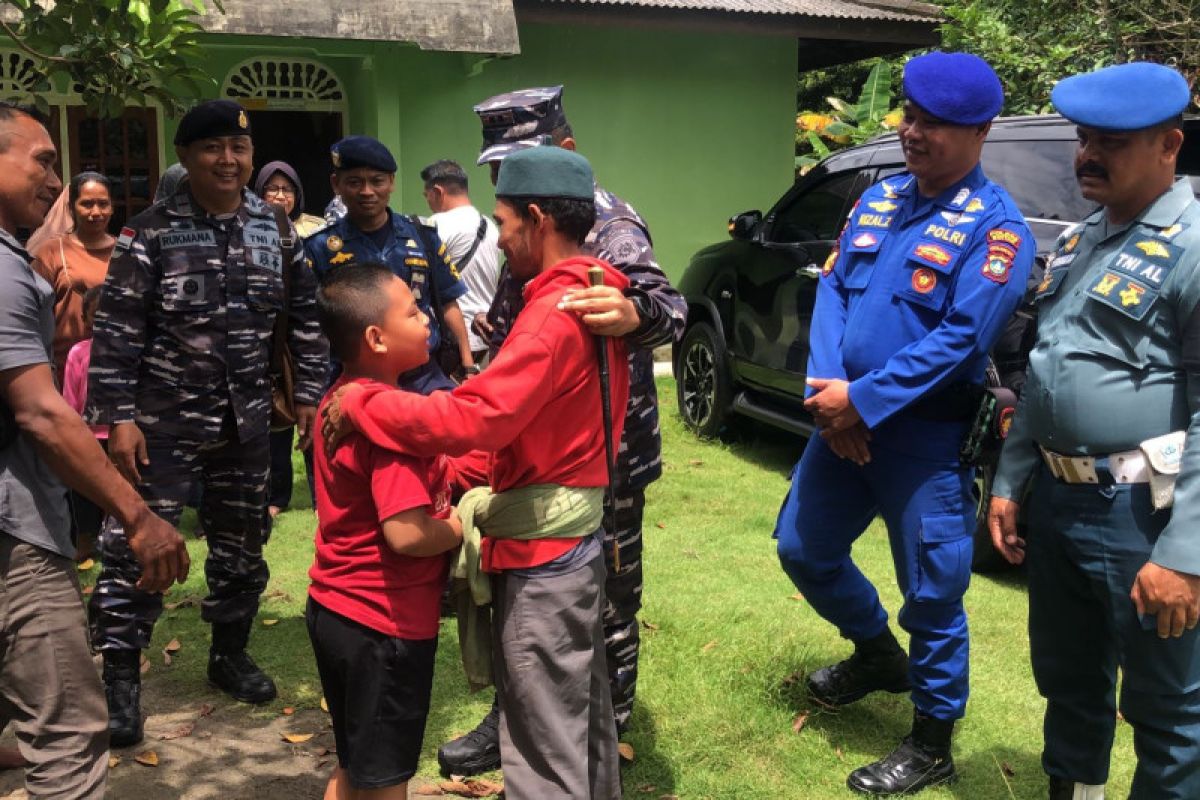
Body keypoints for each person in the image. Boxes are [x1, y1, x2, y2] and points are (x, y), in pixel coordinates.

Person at [322, 146, 629, 800]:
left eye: (505, 220)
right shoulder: (594, 293)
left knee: (545, 745)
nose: (502, 236)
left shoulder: (553, 314)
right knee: (583, 727)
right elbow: (508, 429)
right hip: (572, 543)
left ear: (537, 219)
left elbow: (478, 419)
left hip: (544, 553)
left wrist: (366, 400)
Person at [772, 52, 1036, 795]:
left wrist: (865, 401)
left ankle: (931, 739)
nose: (914, 133)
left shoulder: (998, 232)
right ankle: (876, 653)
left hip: (922, 437)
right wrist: (832, 396)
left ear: (980, 132)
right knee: (804, 547)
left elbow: (960, 341)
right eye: (911, 117)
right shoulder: (879, 199)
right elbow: (832, 291)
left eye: (936, 125)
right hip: (843, 420)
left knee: (932, 590)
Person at [437, 84, 687, 777]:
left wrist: (635, 310)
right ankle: (522, 724)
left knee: (605, 596)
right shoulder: (520, 218)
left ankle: (600, 740)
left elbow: (672, 307)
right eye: (494, 168)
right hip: (536, 443)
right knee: (528, 608)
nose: (500, 182)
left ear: (565, 150)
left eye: (513, 163)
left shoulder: (608, 222)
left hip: (607, 453)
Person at [86, 99, 328, 747]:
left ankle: (229, 655)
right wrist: (119, 418)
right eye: (212, 148)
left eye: (238, 148)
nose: (228, 160)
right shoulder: (151, 231)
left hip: (246, 424)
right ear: (187, 157)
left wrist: (307, 394)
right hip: (160, 425)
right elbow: (117, 331)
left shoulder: (275, 230)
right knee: (134, 546)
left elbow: (305, 317)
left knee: (242, 545)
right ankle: (121, 681)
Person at [989, 62, 1200, 800]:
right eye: (1083, 138)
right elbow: (1046, 368)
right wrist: (1014, 480)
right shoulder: (1081, 241)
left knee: (1168, 708)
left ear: (1170, 145)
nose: (1086, 154)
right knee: (1069, 683)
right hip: (1061, 504)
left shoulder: (1193, 246)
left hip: (1148, 512)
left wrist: (1185, 553)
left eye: (1111, 141)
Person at [0, 101, 189, 799]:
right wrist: (139, 518)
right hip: (12, 526)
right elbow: (43, 415)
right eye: (42, 161)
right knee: (72, 732)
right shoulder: (10, 268)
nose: (55, 180)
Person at [308, 262, 463, 800]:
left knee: (355, 765)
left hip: (336, 608)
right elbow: (408, 534)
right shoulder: (389, 427)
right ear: (376, 337)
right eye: (413, 311)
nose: (426, 320)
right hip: (384, 623)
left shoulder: (340, 402)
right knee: (386, 781)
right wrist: (462, 524)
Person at [306, 136, 474, 394]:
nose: (366, 191)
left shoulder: (423, 236)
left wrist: (468, 365)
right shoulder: (320, 247)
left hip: (423, 378)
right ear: (336, 184)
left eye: (377, 181)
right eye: (354, 182)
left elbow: (449, 301)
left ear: (391, 183)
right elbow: (312, 324)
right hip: (355, 383)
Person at [255, 160, 324, 517]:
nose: (280, 195)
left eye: (287, 189)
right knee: (273, 419)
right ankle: (274, 494)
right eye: (272, 188)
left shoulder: (316, 231)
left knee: (306, 413)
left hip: (301, 340)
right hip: (267, 342)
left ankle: (317, 494)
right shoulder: (249, 229)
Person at [29, 171, 115, 375]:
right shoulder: (51, 252)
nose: (96, 212)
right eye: (86, 204)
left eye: (103, 204)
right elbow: (33, 313)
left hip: (115, 368)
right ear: (71, 207)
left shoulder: (126, 253)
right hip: (64, 368)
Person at [420, 159, 501, 365]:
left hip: (453, 335)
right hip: (485, 331)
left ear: (438, 191)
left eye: (426, 195)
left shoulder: (436, 224)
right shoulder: (489, 224)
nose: (427, 201)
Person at [61, 285, 108, 559]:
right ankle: (85, 540)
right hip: (89, 436)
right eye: (95, 316)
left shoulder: (130, 353)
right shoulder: (78, 353)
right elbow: (70, 398)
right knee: (85, 493)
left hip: (119, 436)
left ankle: (117, 540)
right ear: (85, 319)